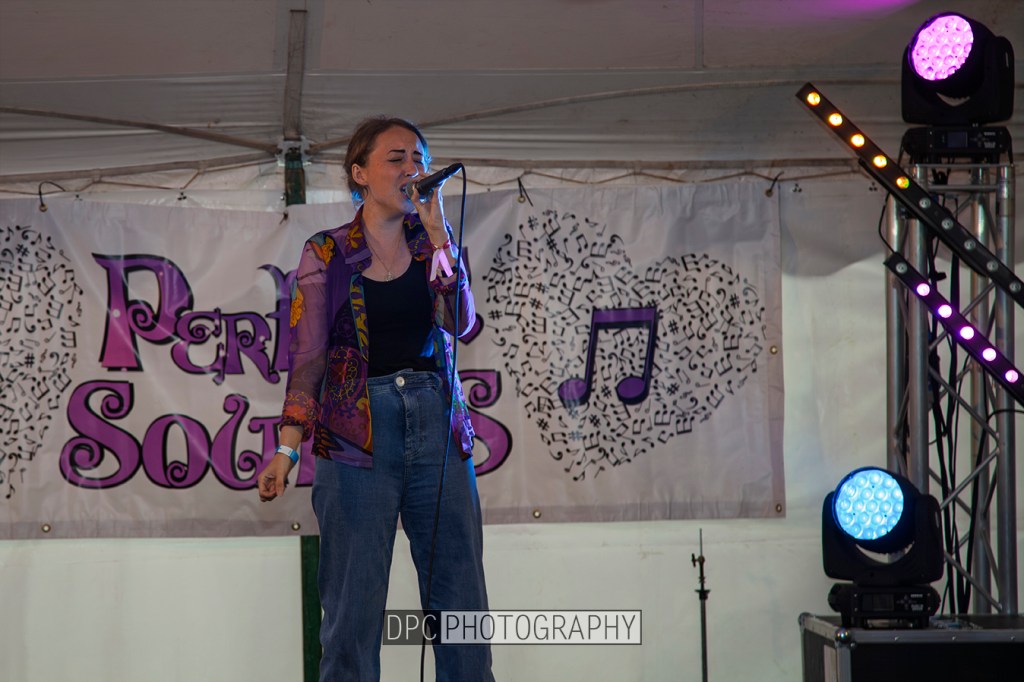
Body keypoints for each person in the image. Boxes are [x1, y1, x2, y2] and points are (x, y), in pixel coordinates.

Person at [257, 116, 493, 682]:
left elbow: (460, 323)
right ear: (360, 173)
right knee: (353, 610)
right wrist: (287, 449)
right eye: (396, 158)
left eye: (419, 158)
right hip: (355, 434)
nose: (412, 168)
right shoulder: (328, 251)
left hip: (436, 424)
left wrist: (439, 236)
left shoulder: (431, 242)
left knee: (460, 603)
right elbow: (308, 357)